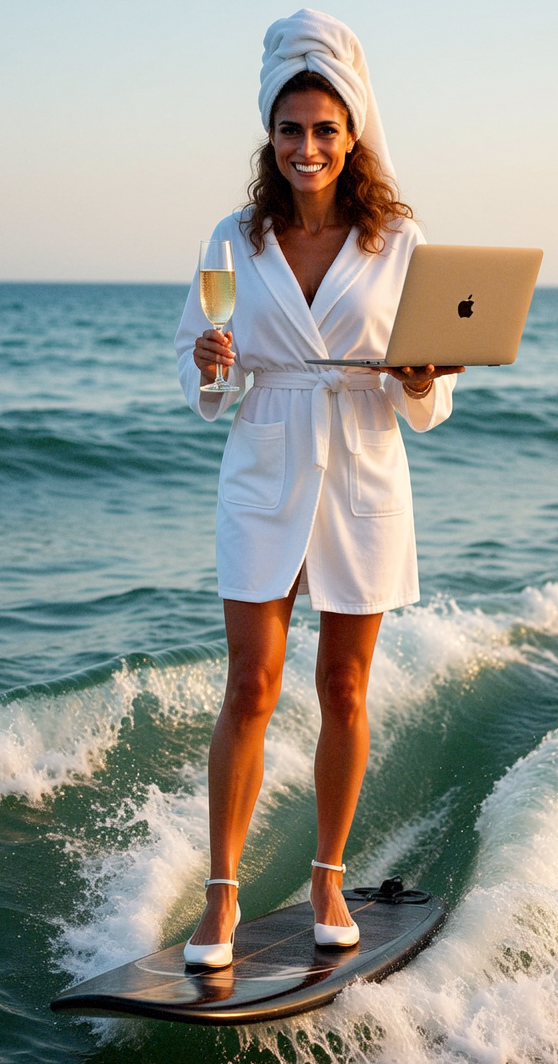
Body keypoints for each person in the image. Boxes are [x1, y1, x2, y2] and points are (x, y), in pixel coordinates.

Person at [175, 8, 464, 968]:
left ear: (353, 136)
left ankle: (328, 879)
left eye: (326, 131)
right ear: (271, 132)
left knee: (344, 685)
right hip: (263, 469)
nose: (308, 148)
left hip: (363, 467)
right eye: (291, 129)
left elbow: (432, 379)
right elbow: (203, 379)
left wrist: (422, 379)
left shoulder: (398, 240)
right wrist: (215, 364)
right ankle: (219, 900)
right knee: (250, 686)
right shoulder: (234, 236)